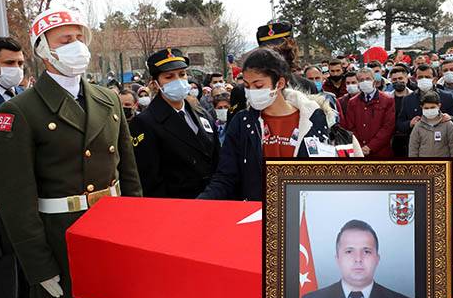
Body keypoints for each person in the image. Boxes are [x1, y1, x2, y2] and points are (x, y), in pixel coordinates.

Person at [0, 8, 141, 298]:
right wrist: (39, 266)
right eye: (65, 39)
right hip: (62, 238)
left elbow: (129, 175)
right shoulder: (20, 111)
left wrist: (139, 236)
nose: (77, 46)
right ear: (44, 50)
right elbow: (17, 199)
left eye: (80, 38)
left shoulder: (107, 100)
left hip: (114, 230)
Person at [198, 49, 362, 202]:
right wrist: (197, 205)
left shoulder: (316, 121)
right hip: (258, 217)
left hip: (304, 216)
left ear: (280, 83)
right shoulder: (242, 123)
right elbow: (226, 177)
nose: (251, 92)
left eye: (259, 85)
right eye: (247, 86)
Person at [129, 48, 219, 199]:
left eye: (182, 74)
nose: (178, 80)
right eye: (169, 77)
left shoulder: (200, 112)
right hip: (177, 207)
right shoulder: (145, 122)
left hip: (213, 199)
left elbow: (216, 157)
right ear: (156, 84)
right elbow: (150, 180)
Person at [0, 37, 35, 298]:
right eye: (10, 63)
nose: (16, 70)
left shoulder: (18, 101)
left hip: (5, 212)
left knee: (5, 288)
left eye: (20, 63)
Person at [299, 220, 415, 298]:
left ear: (377, 259)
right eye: (349, 251)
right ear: (337, 259)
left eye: (366, 251)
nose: (358, 259)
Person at [396, 65, 453, 142]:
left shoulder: (446, 97)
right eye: (420, 77)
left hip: (443, 143)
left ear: (434, 79)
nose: (423, 79)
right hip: (418, 143)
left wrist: (450, 118)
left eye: (427, 77)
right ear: (416, 79)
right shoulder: (408, 99)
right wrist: (410, 123)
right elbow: (400, 124)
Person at [343, 67, 395, 158]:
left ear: (374, 81)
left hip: (381, 152)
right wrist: (359, 147)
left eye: (368, 79)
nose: (365, 82)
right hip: (359, 152)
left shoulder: (387, 100)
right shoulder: (352, 102)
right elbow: (350, 127)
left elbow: (388, 127)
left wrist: (370, 147)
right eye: (361, 80)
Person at [408, 91, 453, 163]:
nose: (429, 110)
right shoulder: (418, 126)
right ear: (422, 108)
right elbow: (413, 149)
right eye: (426, 108)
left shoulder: (448, 125)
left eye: (432, 107)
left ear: (439, 106)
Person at [390, 67, 413, 158]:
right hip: (392, 138)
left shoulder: (414, 97)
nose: (398, 81)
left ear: (406, 79)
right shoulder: (387, 98)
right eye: (394, 79)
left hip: (409, 138)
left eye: (400, 78)